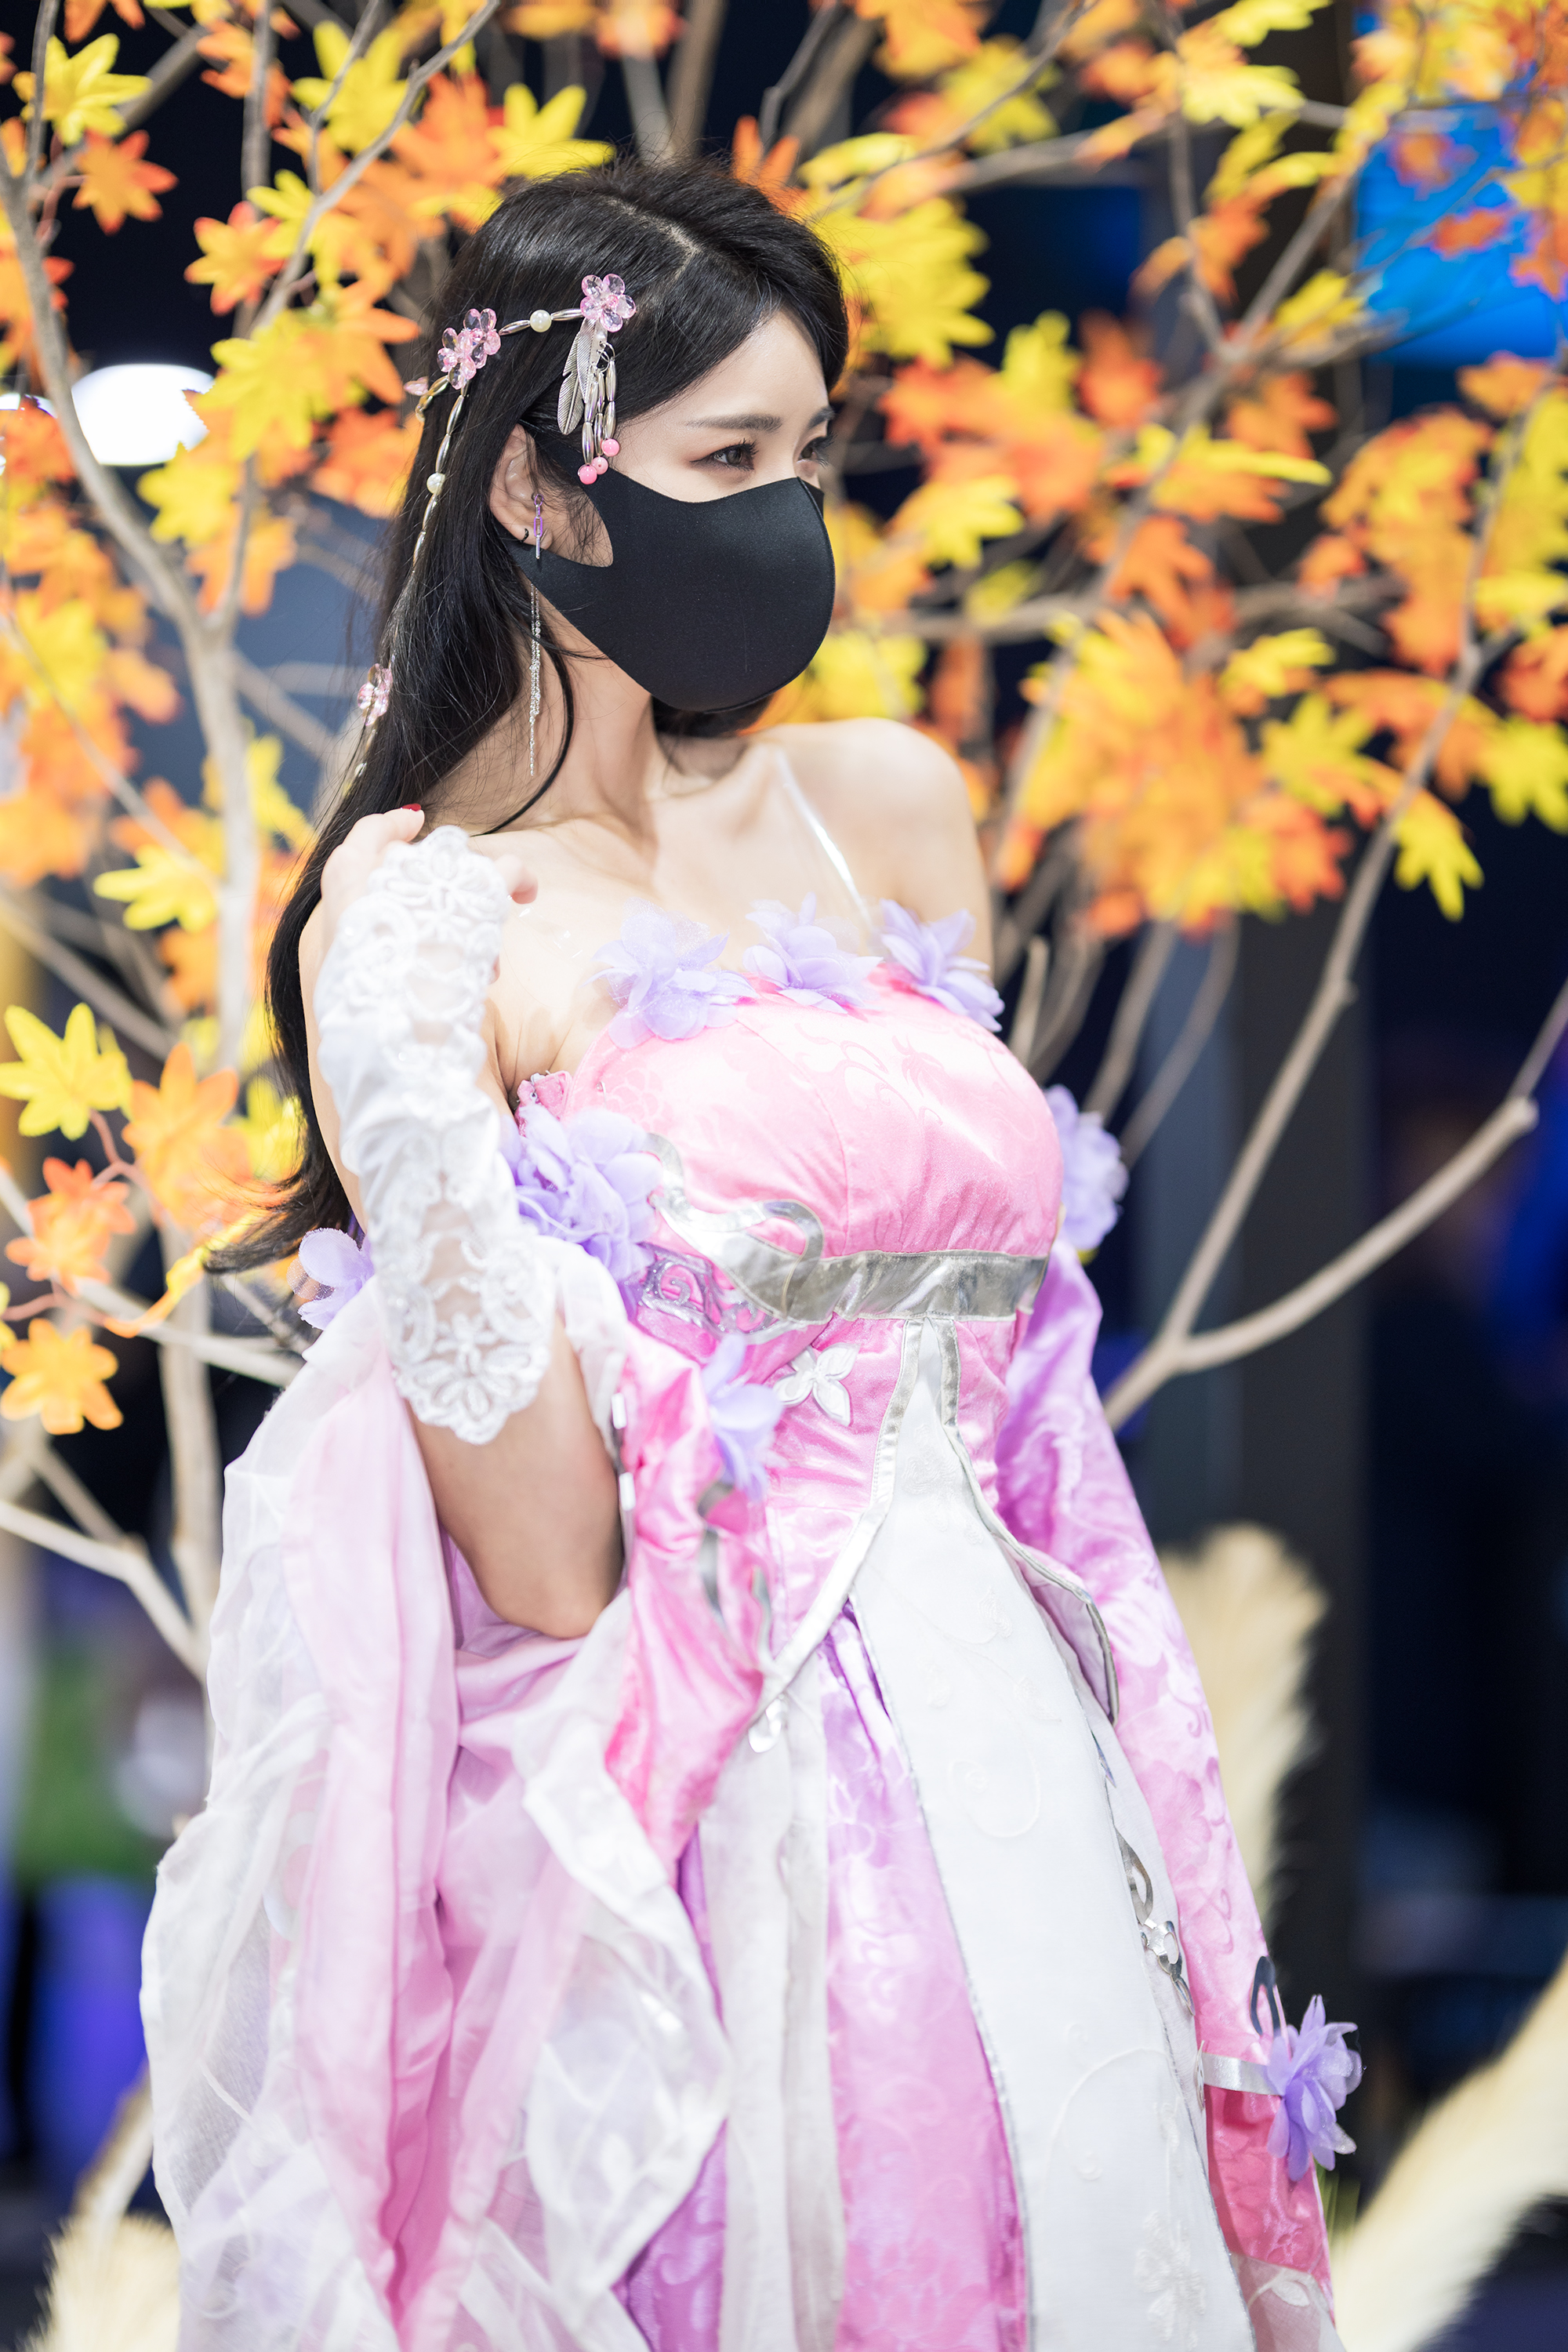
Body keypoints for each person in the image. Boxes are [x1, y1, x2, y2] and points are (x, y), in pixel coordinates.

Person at [142, 162, 1353, 2351]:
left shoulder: (880, 802)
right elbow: (542, 1563)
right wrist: (398, 1087)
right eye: (725, 463)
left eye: (811, 455)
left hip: (1027, 1712)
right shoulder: (433, 920)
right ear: (542, 486)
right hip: (726, 1794)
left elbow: (1022, 1360)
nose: (788, 517)